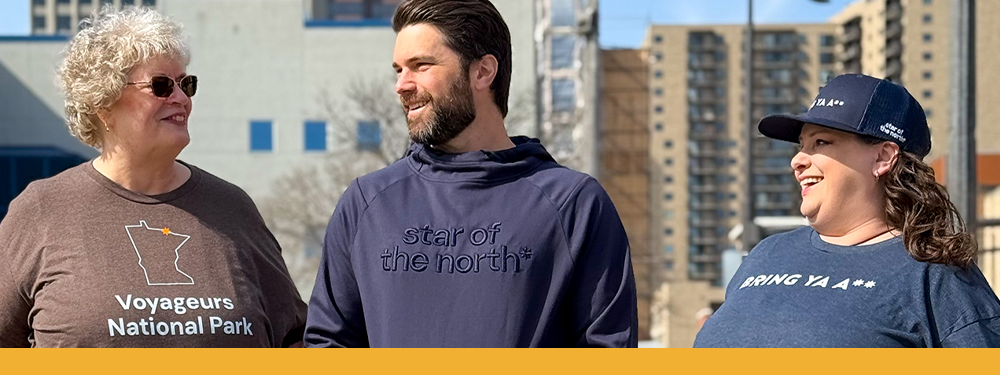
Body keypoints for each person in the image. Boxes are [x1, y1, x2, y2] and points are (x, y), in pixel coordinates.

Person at [304, 0, 637, 347]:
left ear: (483, 72)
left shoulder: (575, 205)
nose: (401, 85)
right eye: (398, 69)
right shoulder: (366, 204)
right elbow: (329, 345)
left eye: (420, 65)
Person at [0, 6, 306, 347]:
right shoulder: (43, 210)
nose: (181, 99)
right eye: (161, 86)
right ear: (104, 105)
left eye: (186, 84)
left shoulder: (233, 208)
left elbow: (294, 341)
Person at [694, 74, 1000, 347]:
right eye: (800, 146)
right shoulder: (766, 253)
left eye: (821, 142)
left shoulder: (936, 276)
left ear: (883, 156)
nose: (797, 161)